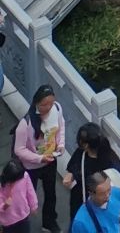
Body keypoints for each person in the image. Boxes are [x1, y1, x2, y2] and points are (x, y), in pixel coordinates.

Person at [13, 87, 64, 233]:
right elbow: (19, 149)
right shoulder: (26, 124)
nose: (48, 108)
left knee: (51, 193)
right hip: (31, 166)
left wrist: (60, 145)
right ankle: (20, 224)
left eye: (51, 103)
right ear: (36, 103)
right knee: (27, 196)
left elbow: (61, 128)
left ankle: (49, 222)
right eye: (44, 105)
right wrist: (39, 158)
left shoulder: (57, 109)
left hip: (50, 161)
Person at [62, 129, 120, 223]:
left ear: (85, 145)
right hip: (80, 199)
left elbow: (116, 184)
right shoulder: (81, 153)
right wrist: (70, 175)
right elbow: (73, 168)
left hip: (99, 202)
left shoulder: (110, 161)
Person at [0, 162, 37, 233]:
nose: (16, 183)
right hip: (8, 220)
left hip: (23, 214)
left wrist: (33, 205)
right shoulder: (2, 186)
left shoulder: (24, 176)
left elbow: (30, 190)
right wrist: (5, 206)